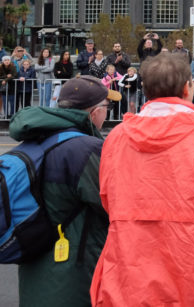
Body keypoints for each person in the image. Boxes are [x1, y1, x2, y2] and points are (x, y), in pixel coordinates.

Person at [90, 54, 194, 306]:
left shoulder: (117, 137)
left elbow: (108, 198)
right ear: (187, 88)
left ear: (145, 90)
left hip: (129, 268)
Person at [11, 76, 117, 306]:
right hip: (74, 274)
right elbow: (115, 205)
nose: (107, 113)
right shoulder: (87, 150)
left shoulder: (37, 139)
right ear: (94, 112)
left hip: (35, 269)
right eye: (107, 107)